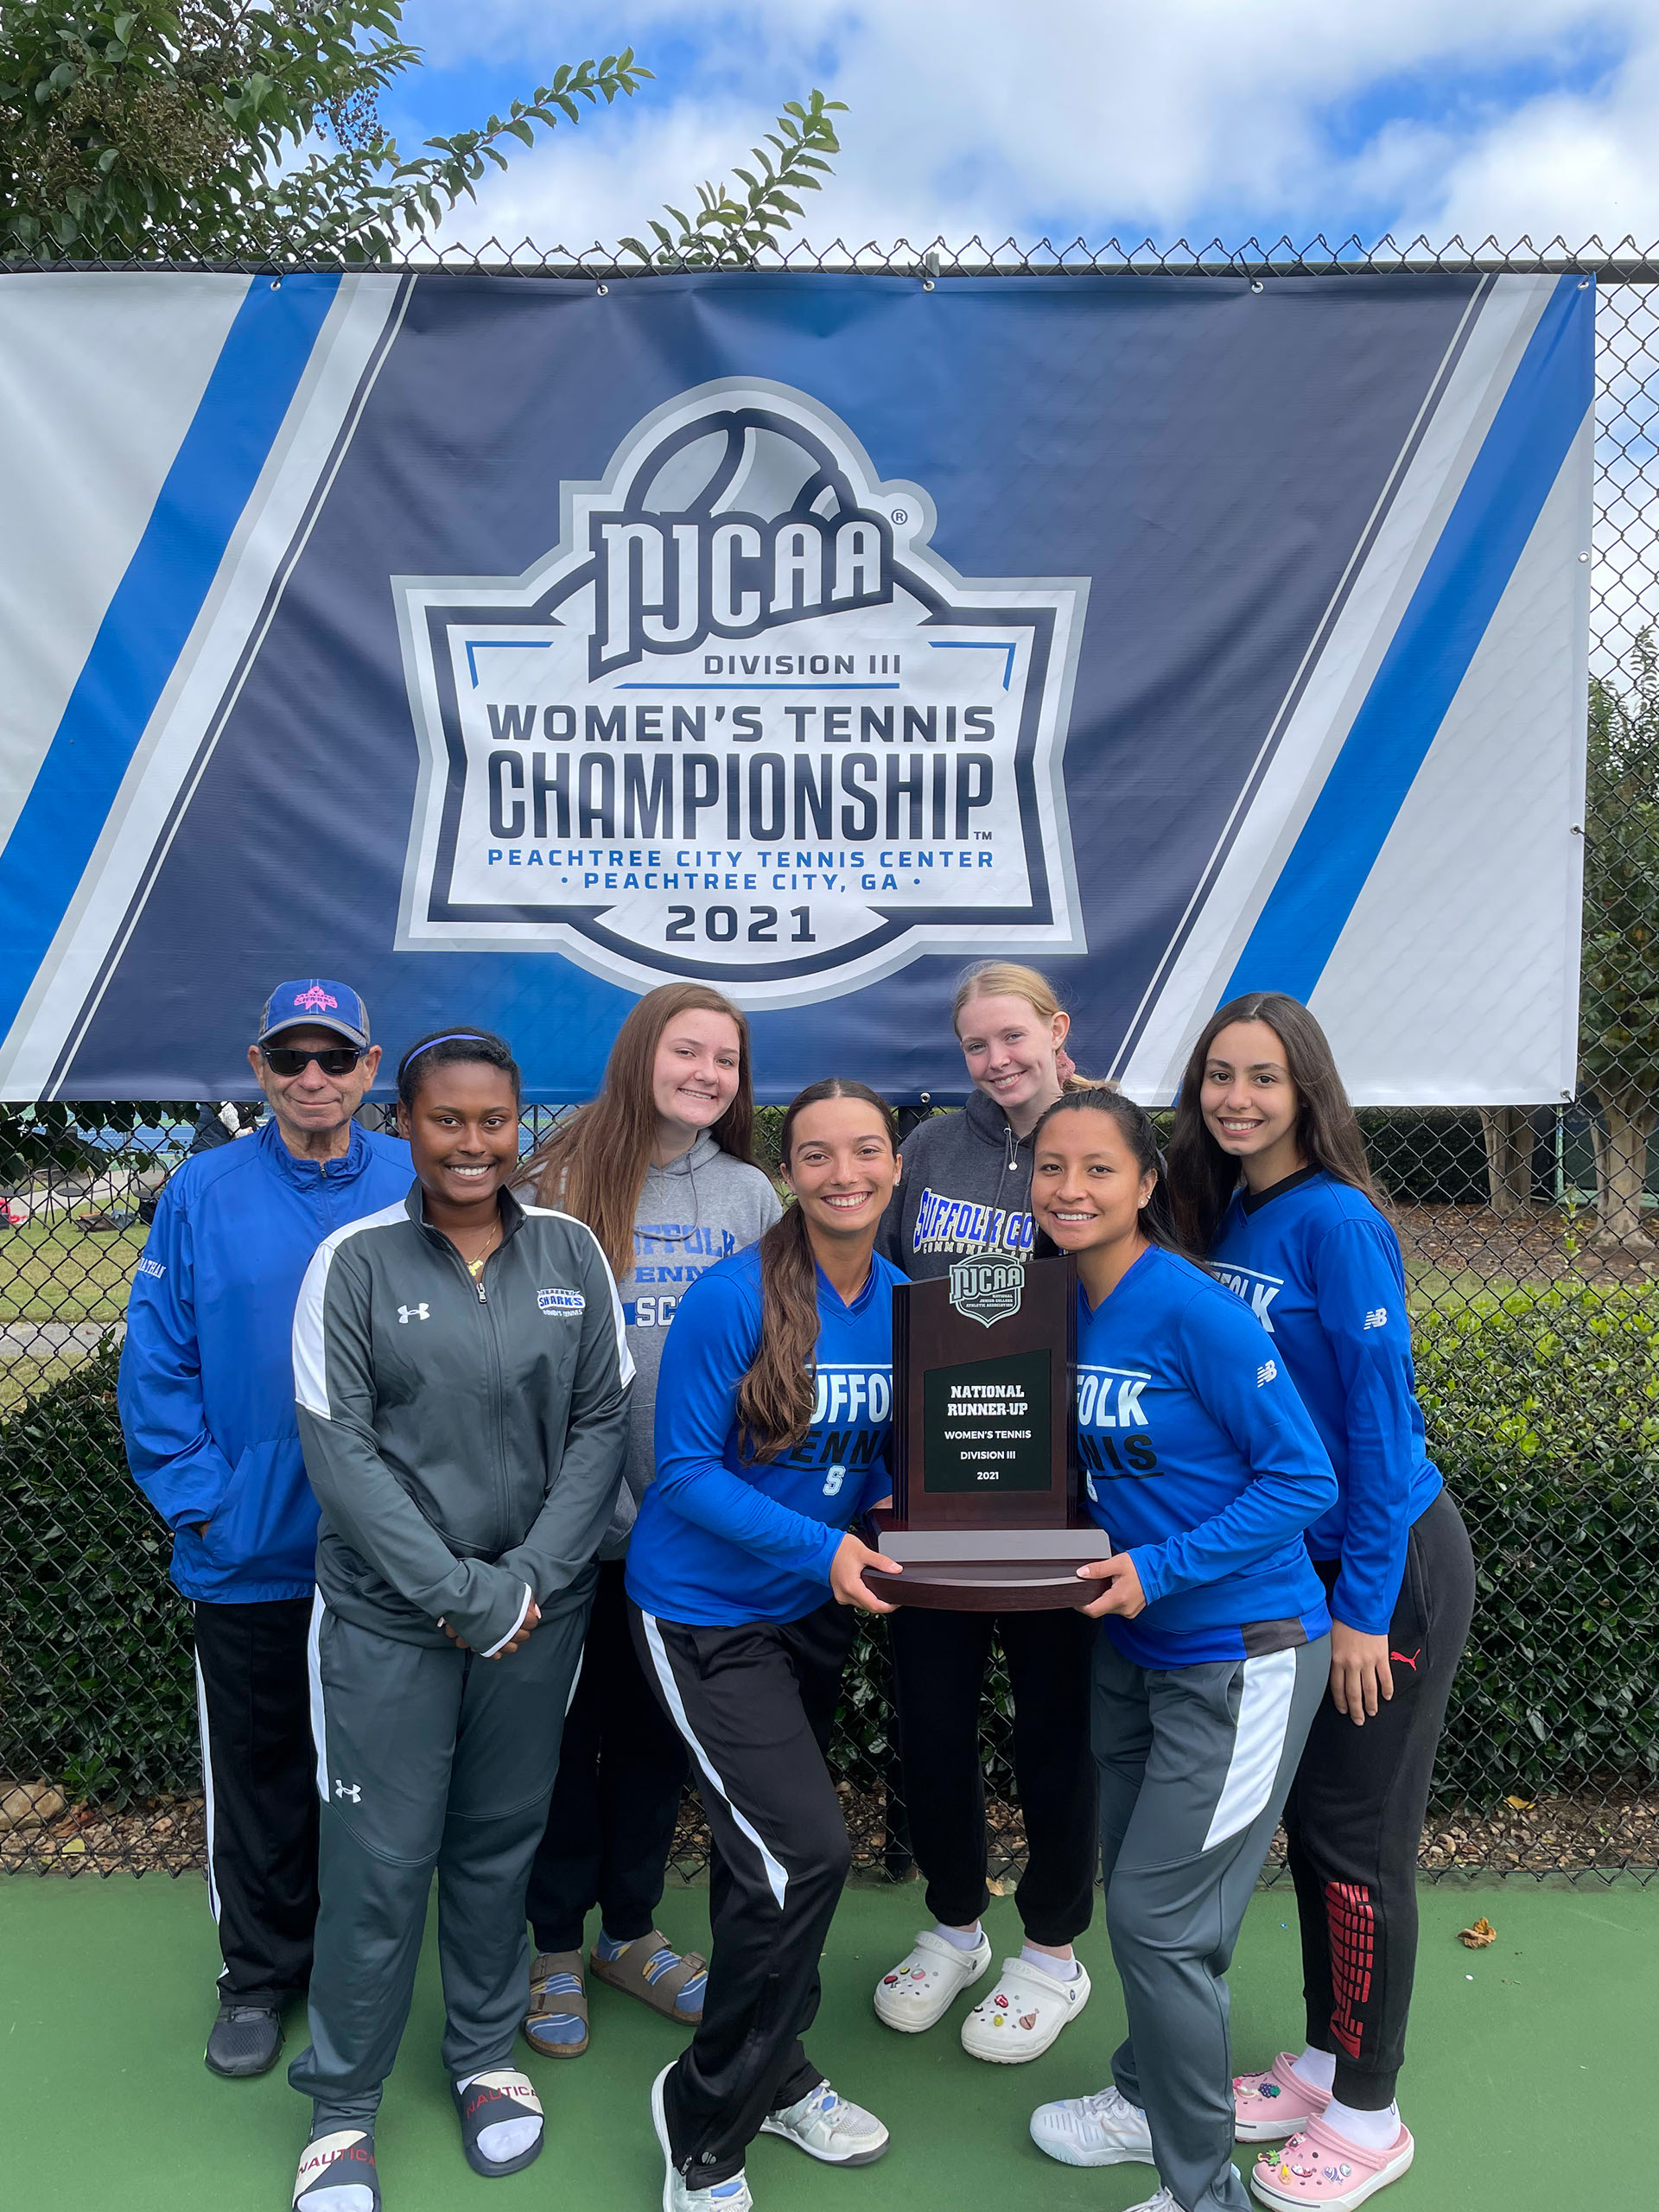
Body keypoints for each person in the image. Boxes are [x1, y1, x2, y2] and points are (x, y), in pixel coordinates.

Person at [285, 1029, 632, 2211]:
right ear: (406, 1121)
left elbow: (598, 1427)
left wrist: (527, 1579)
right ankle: (341, 2105)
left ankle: (485, 2058)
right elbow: (339, 1451)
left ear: (519, 1123)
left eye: (495, 1120)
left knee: (496, 1849)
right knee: (380, 1867)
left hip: (538, 1617)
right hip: (394, 1622)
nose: (475, 1143)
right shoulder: (354, 1261)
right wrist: (462, 1593)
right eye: (449, 1121)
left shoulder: (572, 1253)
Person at [1166, 994, 1476, 2212]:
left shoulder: (1340, 1220)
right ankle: (1321, 2059)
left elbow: (1381, 1420)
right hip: (1313, 1568)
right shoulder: (1243, 1205)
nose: (1237, 1099)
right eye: (1219, 1078)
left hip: (1382, 1568)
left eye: (1263, 1079)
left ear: (1309, 1092)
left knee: (1361, 1845)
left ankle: (1370, 2111)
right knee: (1318, 1835)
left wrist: (1363, 1607)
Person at [1020, 1089, 1337, 2212]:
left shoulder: (1193, 1309)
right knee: (1157, 1906)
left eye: (1098, 1169)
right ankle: (1145, 2094)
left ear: (1146, 1184)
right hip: (1136, 1650)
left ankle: (1207, 2195)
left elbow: (1305, 1477)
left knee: (1157, 1922)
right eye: (1051, 1168)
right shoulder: (1051, 1302)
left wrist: (1157, 1569)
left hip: (1238, 1654)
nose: (1070, 1189)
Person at [118, 981, 412, 2079]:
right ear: (258, 1068)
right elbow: (156, 1366)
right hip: (250, 1560)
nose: (312, 1078)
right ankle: (256, 1975)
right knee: (259, 1777)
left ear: (369, 1067)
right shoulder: (200, 1190)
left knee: (378, 1782)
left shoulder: (414, 1179)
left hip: (390, 1564)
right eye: (290, 1058)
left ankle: (358, 1967)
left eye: (333, 1057)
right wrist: (212, 1504)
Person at [626, 1078, 906, 2212]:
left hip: (811, 1615)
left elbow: (880, 1468)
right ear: (789, 1173)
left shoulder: (904, 1300)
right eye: (819, 1154)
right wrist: (827, 1551)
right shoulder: (729, 1299)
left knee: (764, 1867)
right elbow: (684, 1474)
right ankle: (702, 2125)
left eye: (868, 1150)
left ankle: (778, 2073)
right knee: (809, 1853)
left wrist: (900, 1524)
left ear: (895, 1165)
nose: (845, 1172)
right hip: (702, 1616)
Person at [515, 984, 781, 2057]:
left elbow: (776, 1359)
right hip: (571, 1529)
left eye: (726, 1058)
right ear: (641, 1055)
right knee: (556, 1744)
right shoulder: (559, 1184)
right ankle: (550, 1949)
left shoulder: (755, 1196)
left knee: (653, 1745)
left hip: (689, 1538)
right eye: (688, 1051)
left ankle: (628, 1930)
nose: (709, 1073)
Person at [872, 960, 1099, 2061]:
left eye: (1015, 1035)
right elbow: (880, 1299)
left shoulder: (1108, 1138)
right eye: (976, 1044)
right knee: (931, 1720)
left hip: (1064, 1493)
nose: (998, 1059)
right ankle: (955, 1922)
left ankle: (1053, 1948)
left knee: (1058, 1730)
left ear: (1058, 1030)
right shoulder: (925, 1151)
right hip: (936, 1490)